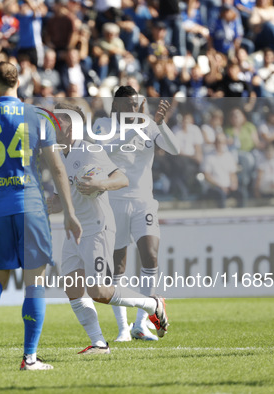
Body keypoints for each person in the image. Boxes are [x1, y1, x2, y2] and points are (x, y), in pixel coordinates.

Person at [0, 62, 82, 371]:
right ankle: (29, 357)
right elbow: (57, 168)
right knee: (35, 283)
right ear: (20, 82)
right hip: (31, 205)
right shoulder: (37, 116)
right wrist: (69, 212)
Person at [48, 103, 162, 353]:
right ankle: (99, 342)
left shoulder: (90, 150)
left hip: (98, 229)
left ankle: (152, 305)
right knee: (73, 289)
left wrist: (100, 182)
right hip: (74, 232)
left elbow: (122, 178)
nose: (54, 123)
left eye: (60, 119)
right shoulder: (56, 155)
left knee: (99, 290)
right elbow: (59, 198)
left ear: (73, 126)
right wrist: (44, 205)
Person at [93, 86, 179, 341]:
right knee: (116, 267)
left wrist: (160, 125)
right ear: (117, 104)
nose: (134, 107)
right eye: (129, 103)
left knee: (150, 255)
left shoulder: (148, 124)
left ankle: (141, 323)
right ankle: (122, 329)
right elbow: (101, 151)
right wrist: (135, 129)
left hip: (143, 202)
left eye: (136, 103)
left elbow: (174, 149)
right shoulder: (103, 124)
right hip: (114, 201)